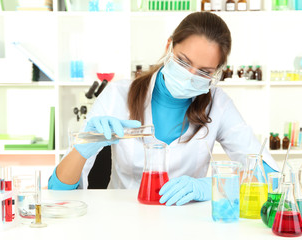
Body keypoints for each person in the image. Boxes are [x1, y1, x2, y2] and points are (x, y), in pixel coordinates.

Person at [48, 12, 279, 206]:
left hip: (189, 222)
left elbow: (269, 176)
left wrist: (210, 186)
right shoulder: (117, 96)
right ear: (169, 46)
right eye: (184, 62)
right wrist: (82, 149)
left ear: (216, 72)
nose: (190, 77)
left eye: (204, 72)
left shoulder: (218, 103)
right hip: (124, 220)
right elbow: (57, 193)